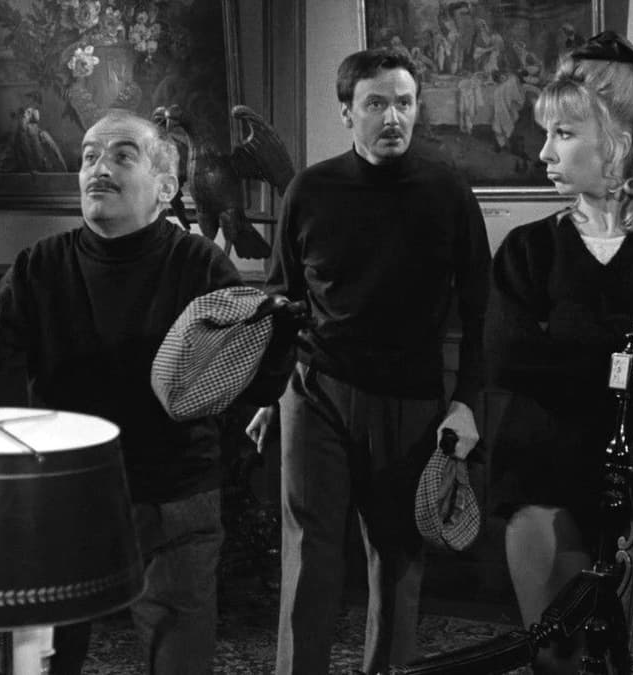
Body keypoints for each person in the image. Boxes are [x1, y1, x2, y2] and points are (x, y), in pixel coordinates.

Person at [0, 109, 247, 675]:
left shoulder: (202, 265)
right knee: (44, 663)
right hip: (65, 493)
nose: (98, 169)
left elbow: (244, 379)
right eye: (88, 157)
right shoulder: (43, 265)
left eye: (122, 156)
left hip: (174, 498)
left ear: (165, 188)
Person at [245, 47, 491, 675]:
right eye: (376, 103)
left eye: (403, 103)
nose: (392, 118)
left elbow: (481, 313)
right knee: (310, 555)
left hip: (411, 396)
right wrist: (270, 391)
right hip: (316, 390)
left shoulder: (448, 192)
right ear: (346, 113)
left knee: (398, 560)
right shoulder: (310, 189)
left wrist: (467, 401)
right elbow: (283, 298)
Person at [483, 31, 633, 672]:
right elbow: (509, 360)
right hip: (544, 482)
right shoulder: (528, 250)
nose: (544, 152)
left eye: (563, 134)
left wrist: (568, 334)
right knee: (556, 660)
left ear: (619, 141)